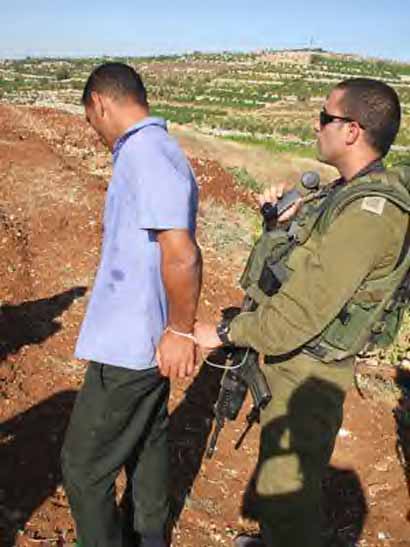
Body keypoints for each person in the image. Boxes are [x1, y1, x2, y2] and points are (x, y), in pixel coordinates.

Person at [195, 78, 407, 547]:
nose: (317, 125)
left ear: (352, 130)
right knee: (283, 488)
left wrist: (226, 331)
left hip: (312, 366)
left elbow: (299, 315)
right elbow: (296, 268)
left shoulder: (368, 215)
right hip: (296, 360)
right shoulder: (345, 192)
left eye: (325, 117)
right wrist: (277, 223)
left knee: (285, 494)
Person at [61, 62, 202, 547]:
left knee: (82, 469)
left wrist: (180, 331)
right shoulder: (150, 151)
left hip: (130, 348)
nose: (95, 132)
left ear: (100, 104)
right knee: (145, 443)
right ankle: (148, 537)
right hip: (141, 339)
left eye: (90, 120)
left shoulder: (146, 155)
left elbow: (181, 254)